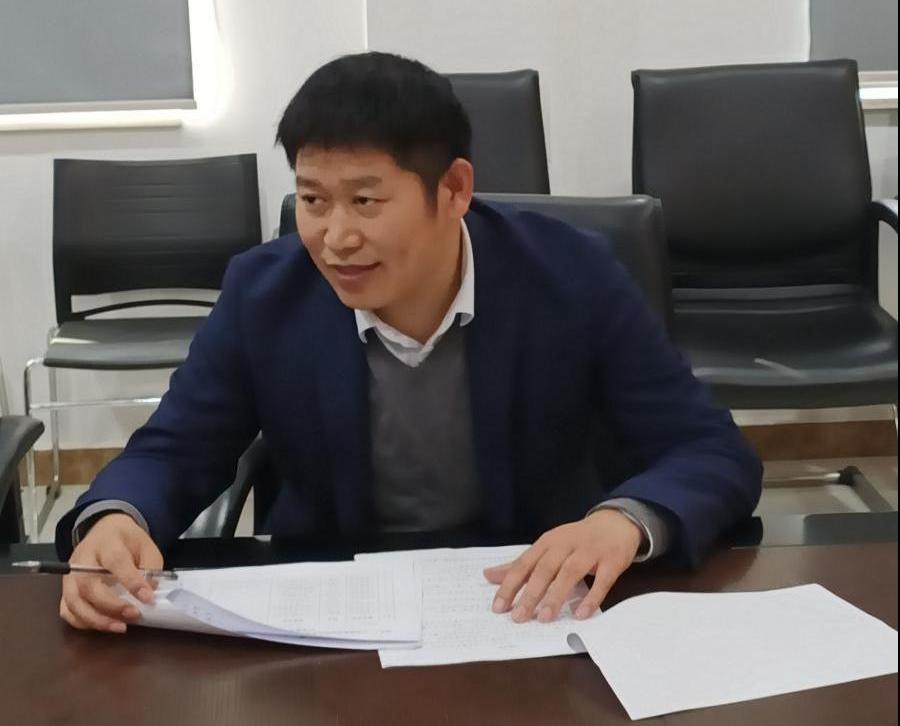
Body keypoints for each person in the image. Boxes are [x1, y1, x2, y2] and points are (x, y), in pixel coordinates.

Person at [55, 52, 762, 634]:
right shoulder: (264, 295)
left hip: (528, 606)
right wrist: (116, 517)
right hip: (335, 611)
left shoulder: (572, 275)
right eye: (313, 200)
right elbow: (175, 450)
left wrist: (621, 522)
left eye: (365, 201)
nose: (335, 238)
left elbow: (710, 450)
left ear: (453, 190)